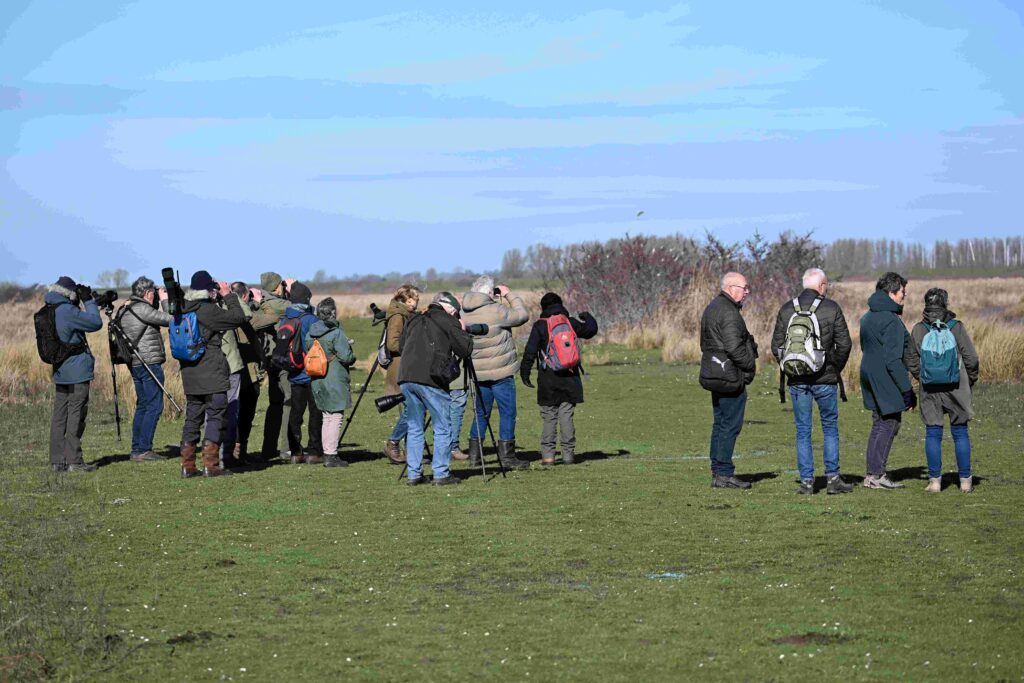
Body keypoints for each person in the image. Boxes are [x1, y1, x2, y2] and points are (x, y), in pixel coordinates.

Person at [770, 268, 854, 495]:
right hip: (825, 379)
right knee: (829, 428)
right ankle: (833, 479)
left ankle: (807, 482)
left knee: (803, 430)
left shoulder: (787, 309)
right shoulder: (831, 308)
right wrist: (833, 367)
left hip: (797, 380)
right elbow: (844, 344)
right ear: (822, 285)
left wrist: (792, 368)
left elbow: (776, 346)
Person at [904, 288, 980, 493]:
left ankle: (935, 482)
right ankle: (965, 482)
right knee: (960, 432)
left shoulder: (919, 329)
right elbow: (971, 358)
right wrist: (969, 380)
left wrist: (923, 377)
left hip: (930, 389)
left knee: (933, 432)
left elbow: (911, 359)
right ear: (946, 304)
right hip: (957, 387)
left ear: (926, 304)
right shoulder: (957, 327)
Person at [398, 292, 474, 485]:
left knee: (415, 427)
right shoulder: (448, 320)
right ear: (451, 309)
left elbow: (401, 347)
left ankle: (414, 474)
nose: (456, 316)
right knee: (442, 427)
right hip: (431, 379)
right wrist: (462, 330)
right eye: (456, 313)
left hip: (406, 377)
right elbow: (465, 350)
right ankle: (441, 473)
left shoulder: (414, 319)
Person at [176, 271, 247, 478]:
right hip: (212, 372)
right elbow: (238, 318)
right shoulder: (208, 310)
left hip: (190, 373)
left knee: (192, 418)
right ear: (209, 290)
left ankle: (187, 465)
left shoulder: (182, 309)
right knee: (216, 416)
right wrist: (228, 295)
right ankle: (211, 465)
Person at [519, 293, 598, 465]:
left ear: (543, 307)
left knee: (549, 417)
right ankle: (568, 455)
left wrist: (525, 373)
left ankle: (548, 456)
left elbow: (530, 352)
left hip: (548, 379)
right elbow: (591, 330)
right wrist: (587, 316)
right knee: (566, 416)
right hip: (570, 377)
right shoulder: (570, 322)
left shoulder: (540, 325)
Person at [461, 276, 530, 470]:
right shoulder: (496, 310)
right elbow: (522, 315)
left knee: (481, 413)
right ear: (490, 292)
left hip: (478, 372)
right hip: (501, 371)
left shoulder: (463, 312)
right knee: (507, 412)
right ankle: (507, 457)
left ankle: (475, 456)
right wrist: (508, 295)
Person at [699, 272, 758, 489]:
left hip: (715, 373)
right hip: (729, 376)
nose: (747, 292)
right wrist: (749, 366)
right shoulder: (729, 313)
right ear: (731, 288)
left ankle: (718, 471)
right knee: (730, 425)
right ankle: (724, 473)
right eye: (744, 288)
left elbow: (705, 343)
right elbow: (734, 347)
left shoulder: (712, 308)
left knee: (720, 422)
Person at [859, 271, 916, 490]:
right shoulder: (891, 320)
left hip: (868, 373)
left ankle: (871, 474)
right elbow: (893, 360)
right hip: (884, 376)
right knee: (890, 422)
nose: (904, 296)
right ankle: (877, 475)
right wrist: (907, 390)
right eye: (902, 292)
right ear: (891, 293)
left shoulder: (867, 316)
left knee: (879, 422)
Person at [46, 276, 103, 472]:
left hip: (60, 370)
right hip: (77, 371)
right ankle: (74, 461)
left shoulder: (50, 309)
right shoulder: (67, 311)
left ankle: (57, 460)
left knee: (59, 415)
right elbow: (95, 322)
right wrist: (88, 301)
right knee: (76, 414)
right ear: (69, 294)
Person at [117, 276, 173, 462]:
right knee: (154, 406)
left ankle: (137, 449)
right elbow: (170, 319)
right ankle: (144, 449)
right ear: (148, 293)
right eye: (154, 293)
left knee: (143, 405)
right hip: (148, 362)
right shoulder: (142, 308)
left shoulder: (125, 308)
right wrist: (165, 300)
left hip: (136, 363)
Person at [306, 298, 357, 467]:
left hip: (317, 378)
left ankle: (328, 452)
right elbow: (346, 357)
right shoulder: (336, 333)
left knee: (327, 416)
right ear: (333, 313)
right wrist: (352, 352)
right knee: (336, 417)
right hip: (334, 379)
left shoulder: (310, 333)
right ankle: (331, 454)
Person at [220, 282, 265, 467]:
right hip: (246, 370)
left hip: (234, 368)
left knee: (237, 412)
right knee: (244, 412)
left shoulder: (223, 311)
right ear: (244, 296)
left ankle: (236, 452)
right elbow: (261, 318)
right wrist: (260, 303)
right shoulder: (240, 316)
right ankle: (238, 452)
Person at [250, 272, 295, 461]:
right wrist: (293, 290)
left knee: (275, 403)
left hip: (268, 359)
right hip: (283, 360)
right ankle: (287, 448)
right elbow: (305, 308)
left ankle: (268, 448)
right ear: (277, 287)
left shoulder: (261, 303)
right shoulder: (279, 305)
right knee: (289, 402)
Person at [281, 282, 323, 463]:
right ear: (306, 299)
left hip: (294, 372)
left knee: (295, 414)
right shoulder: (311, 320)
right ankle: (314, 451)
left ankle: (296, 452)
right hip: (312, 372)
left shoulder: (285, 318)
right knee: (315, 412)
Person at [382, 284, 420, 465]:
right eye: (413, 299)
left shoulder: (407, 314)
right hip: (401, 368)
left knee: (411, 409)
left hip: (408, 366)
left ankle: (410, 451)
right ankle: (393, 443)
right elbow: (392, 344)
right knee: (411, 410)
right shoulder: (398, 316)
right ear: (405, 299)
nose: (416, 302)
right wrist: (415, 346)